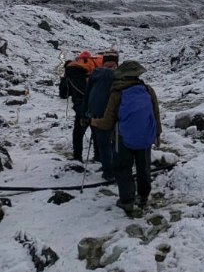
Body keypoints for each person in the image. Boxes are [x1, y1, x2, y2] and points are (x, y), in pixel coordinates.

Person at [89, 60, 162, 215]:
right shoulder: (148, 90)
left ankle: (127, 201)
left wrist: (94, 122)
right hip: (144, 137)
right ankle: (143, 197)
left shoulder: (116, 93)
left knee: (123, 168)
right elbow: (155, 114)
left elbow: (108, 122)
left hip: (122, 139)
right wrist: (157, 134)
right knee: (144, 168)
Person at [83, 50, 120, 181]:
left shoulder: (95, 73)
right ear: (116, 63)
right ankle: (117, 167)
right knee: (116, 141)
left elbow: (87, 95)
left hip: (96, 113)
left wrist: (84, 114)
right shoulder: (120, 75)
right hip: (115, 113)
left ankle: (107, 171)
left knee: (103, 143)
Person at [61, 50, 100, 161]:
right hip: (95, 106)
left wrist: (65, 79)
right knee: (96, 131)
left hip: (80, 107)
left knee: (78, 133)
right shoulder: (96, 71)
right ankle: (98, 156)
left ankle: (77, 157)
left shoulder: (72, 72)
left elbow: (63, 95)